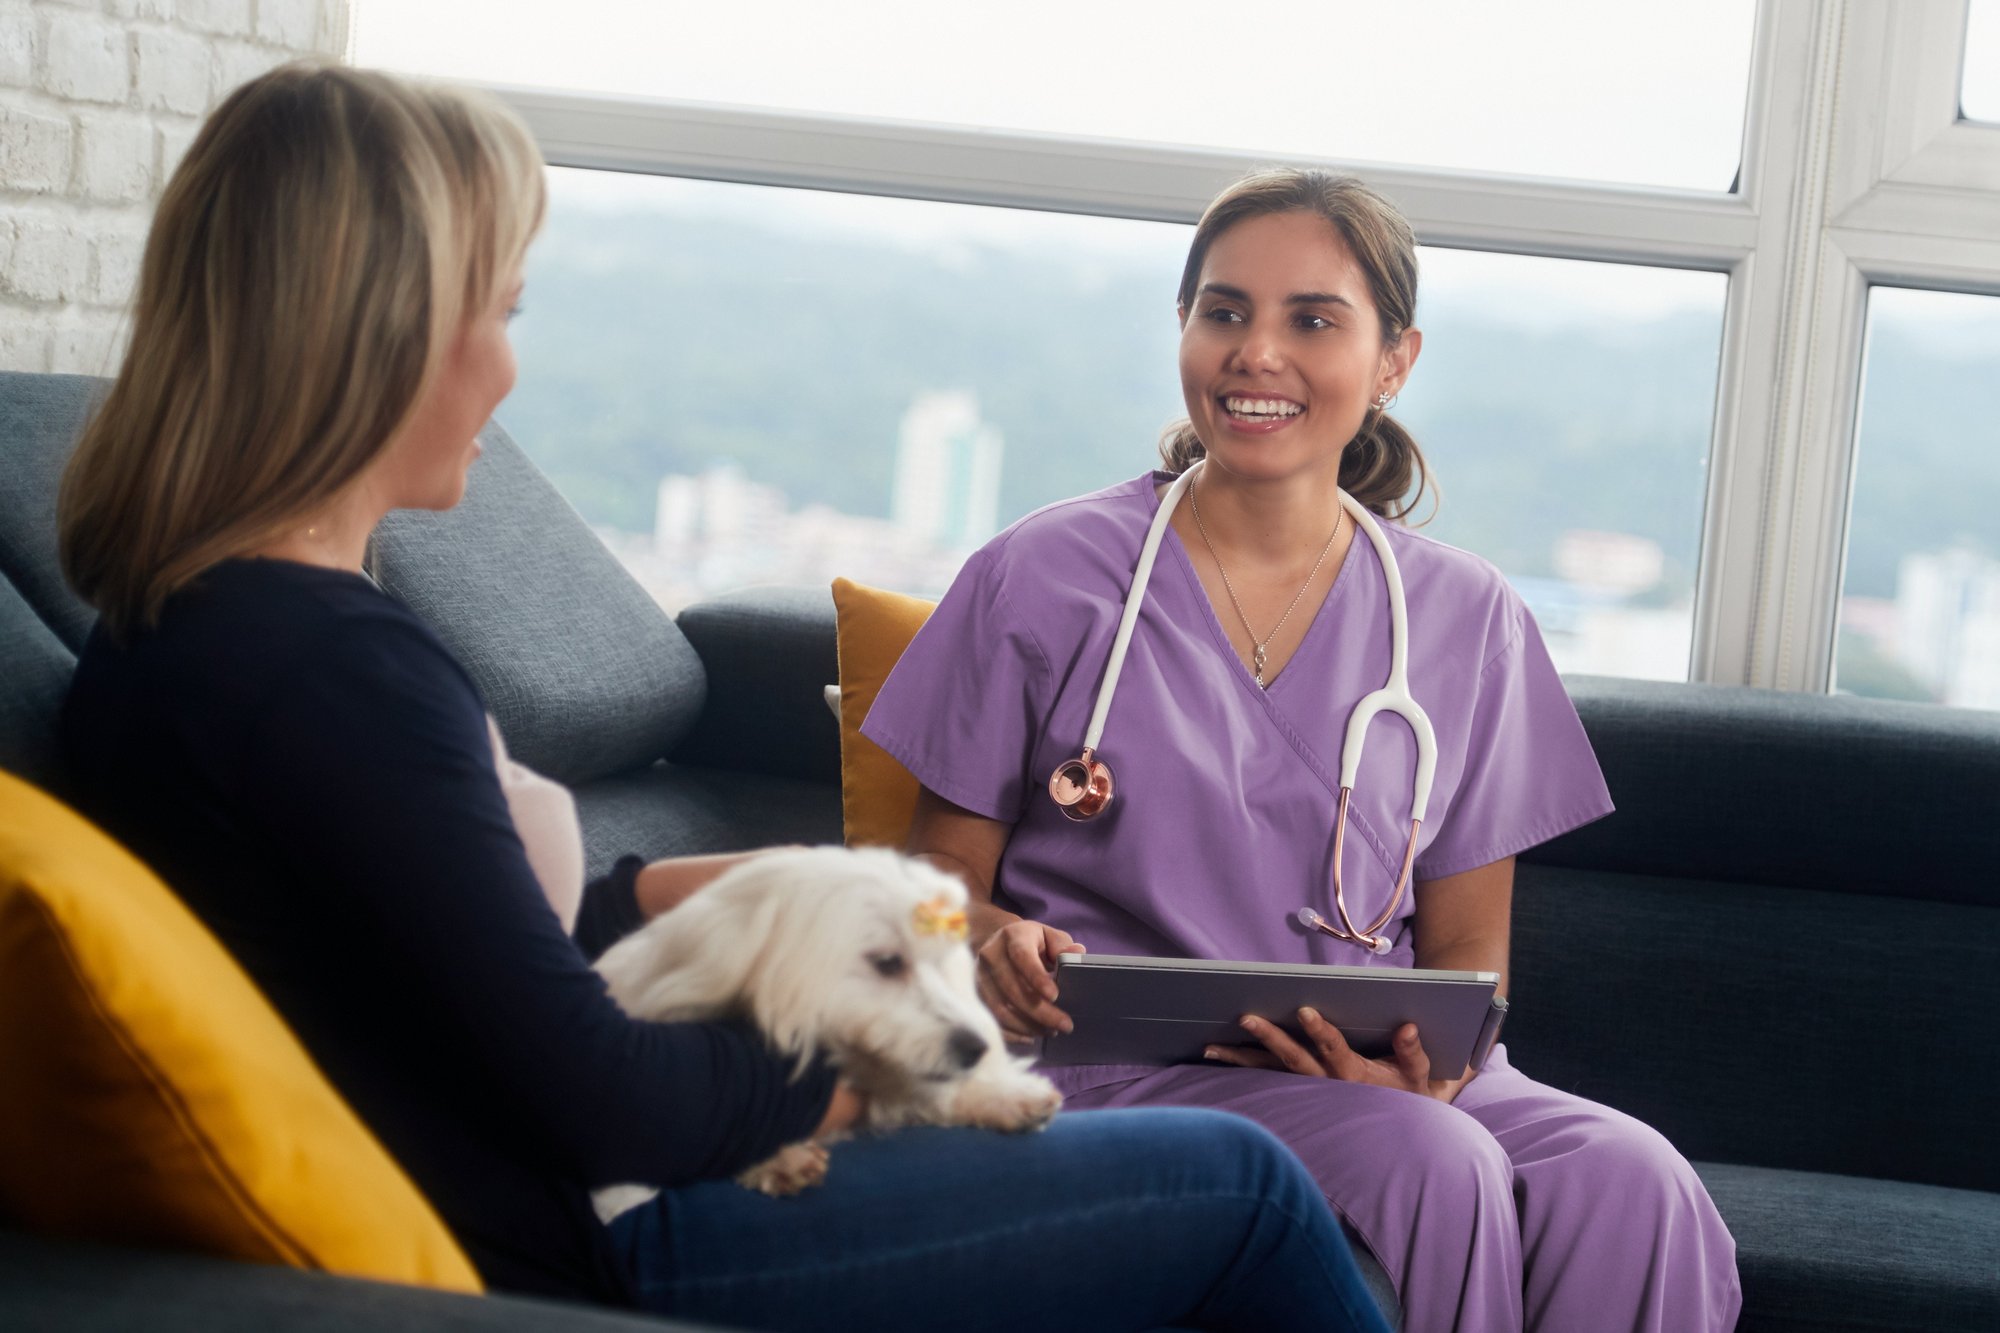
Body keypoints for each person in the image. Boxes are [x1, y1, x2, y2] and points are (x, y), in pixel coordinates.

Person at [52, 66, 1389, 1333]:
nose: (510, 372)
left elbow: (427, 939)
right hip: (586, 1248)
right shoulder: (330, 675)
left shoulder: (190, 634)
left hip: (559, 1198)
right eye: (501, 313)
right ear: (379, 335)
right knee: (1244, 1187)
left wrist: (723, 888)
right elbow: (607, 1101)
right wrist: (878, 1058)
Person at [862, 168, 1742, 1333]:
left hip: (1375, 1069)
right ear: (1181, 328)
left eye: (1311, 320)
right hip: (1097, 1070)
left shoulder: (1466, 617)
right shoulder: (1043, 575)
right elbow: (938, 888)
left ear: (1392, 363)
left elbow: (1472, 951)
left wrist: (1422, 1073)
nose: (1254, 353)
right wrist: (991, 939)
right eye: (1222, 312)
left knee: (1634, 1184)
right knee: (1430, 1161)